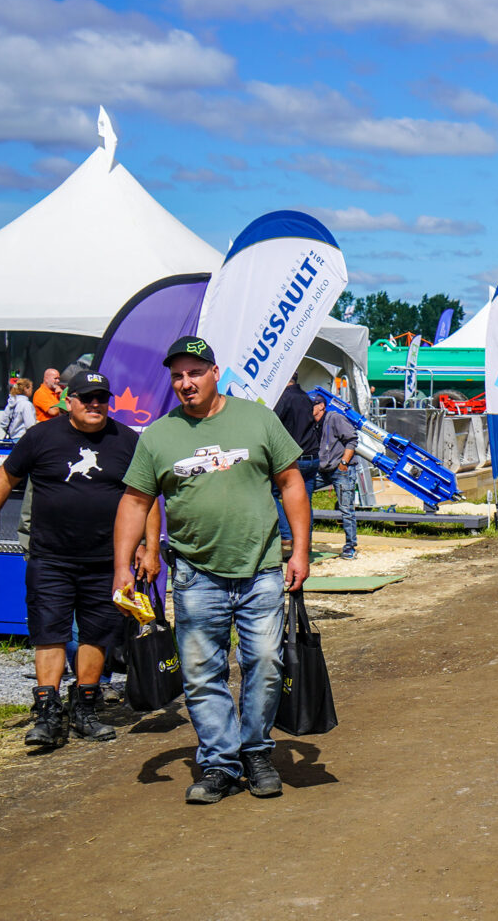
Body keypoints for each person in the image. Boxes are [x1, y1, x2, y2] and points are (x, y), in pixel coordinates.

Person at [112, 336, 311, 805]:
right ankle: (221, 764)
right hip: (195, 575)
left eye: (195, 373)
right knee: (202, 674)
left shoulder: (257, 418)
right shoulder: (160, 435)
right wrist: (123, 565)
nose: (186, 383)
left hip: (261, 568)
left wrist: (300, 551)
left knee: (264, 662)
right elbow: (135, 501)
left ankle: (257, 752)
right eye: (178, 375)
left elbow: (291, 483)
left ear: (214, 372)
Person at [0, 371, 153, 748]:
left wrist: (149, 546)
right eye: (86, 398)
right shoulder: (41, 436)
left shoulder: (127, 441)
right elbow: (4, 479)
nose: (94, 404)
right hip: (50, 557)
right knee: (49, 632)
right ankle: (48, 713)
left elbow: (144, 495)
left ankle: (85, 709)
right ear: (70, 401)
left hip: (106, 560)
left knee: (97, 635)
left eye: (101, 398)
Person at [273, 375, 321, 556]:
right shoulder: (305, 397)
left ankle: (287, 536)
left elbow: (273, 423)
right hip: (312, 456)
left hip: (294, 457)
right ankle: (305, 543)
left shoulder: (285, 398)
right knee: (304, 502)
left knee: (271, 493)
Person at [311, 391, 359, 561]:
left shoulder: (335, 418)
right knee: (301, 494)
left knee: (346, 509)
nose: (309, 408)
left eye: (312, 405)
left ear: (321, 406)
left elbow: (352, 440)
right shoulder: (312, 423)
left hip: (341, 470)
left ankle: (350, 546)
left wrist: (344, 463)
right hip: (322, 470)